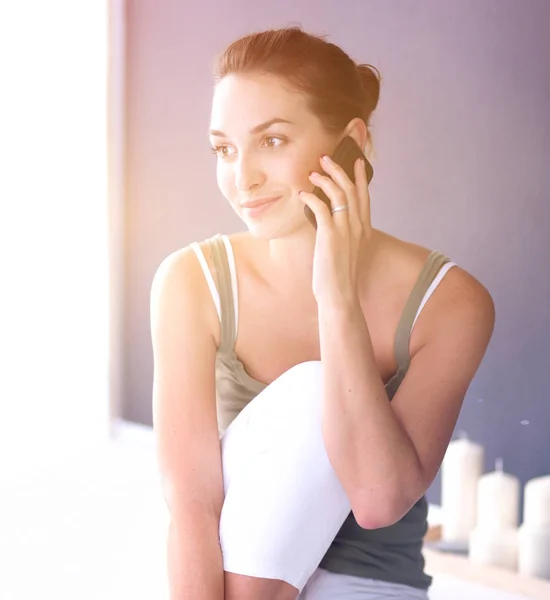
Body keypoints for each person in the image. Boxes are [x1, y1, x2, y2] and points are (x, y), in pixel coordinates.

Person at [150, 26, 495, 600]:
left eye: (273, 141)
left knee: (317, 386)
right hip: (227, 577)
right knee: (307, 391)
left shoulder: (450, 302)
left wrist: (335, 296)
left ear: (350, 142)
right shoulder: (191, 282)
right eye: (224, 148)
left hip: (367, 583)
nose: (243, 178)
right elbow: (193, 508)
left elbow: (380, 499)